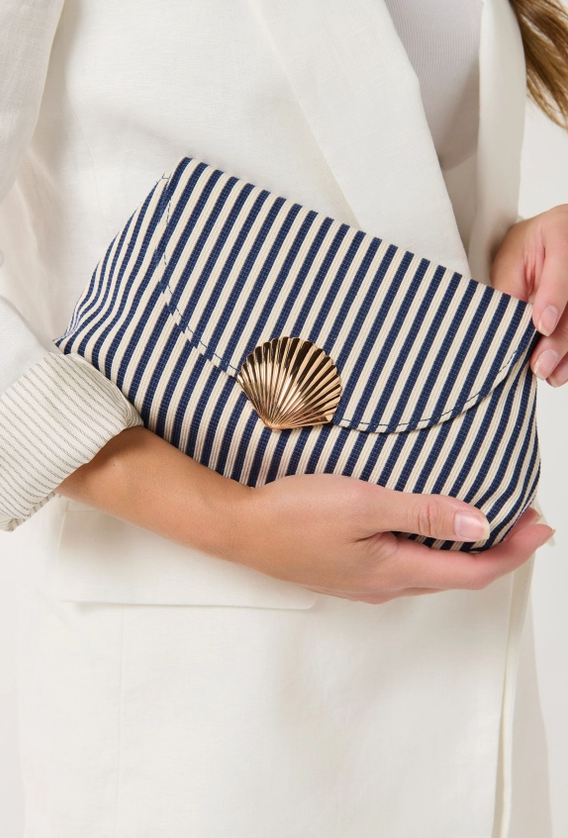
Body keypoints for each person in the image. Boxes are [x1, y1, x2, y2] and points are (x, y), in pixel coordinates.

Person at [0, 0, 567, 835]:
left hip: (471, 698)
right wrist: (226, 520)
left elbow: (405, 205)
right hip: (202, 710)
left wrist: (532, 246)